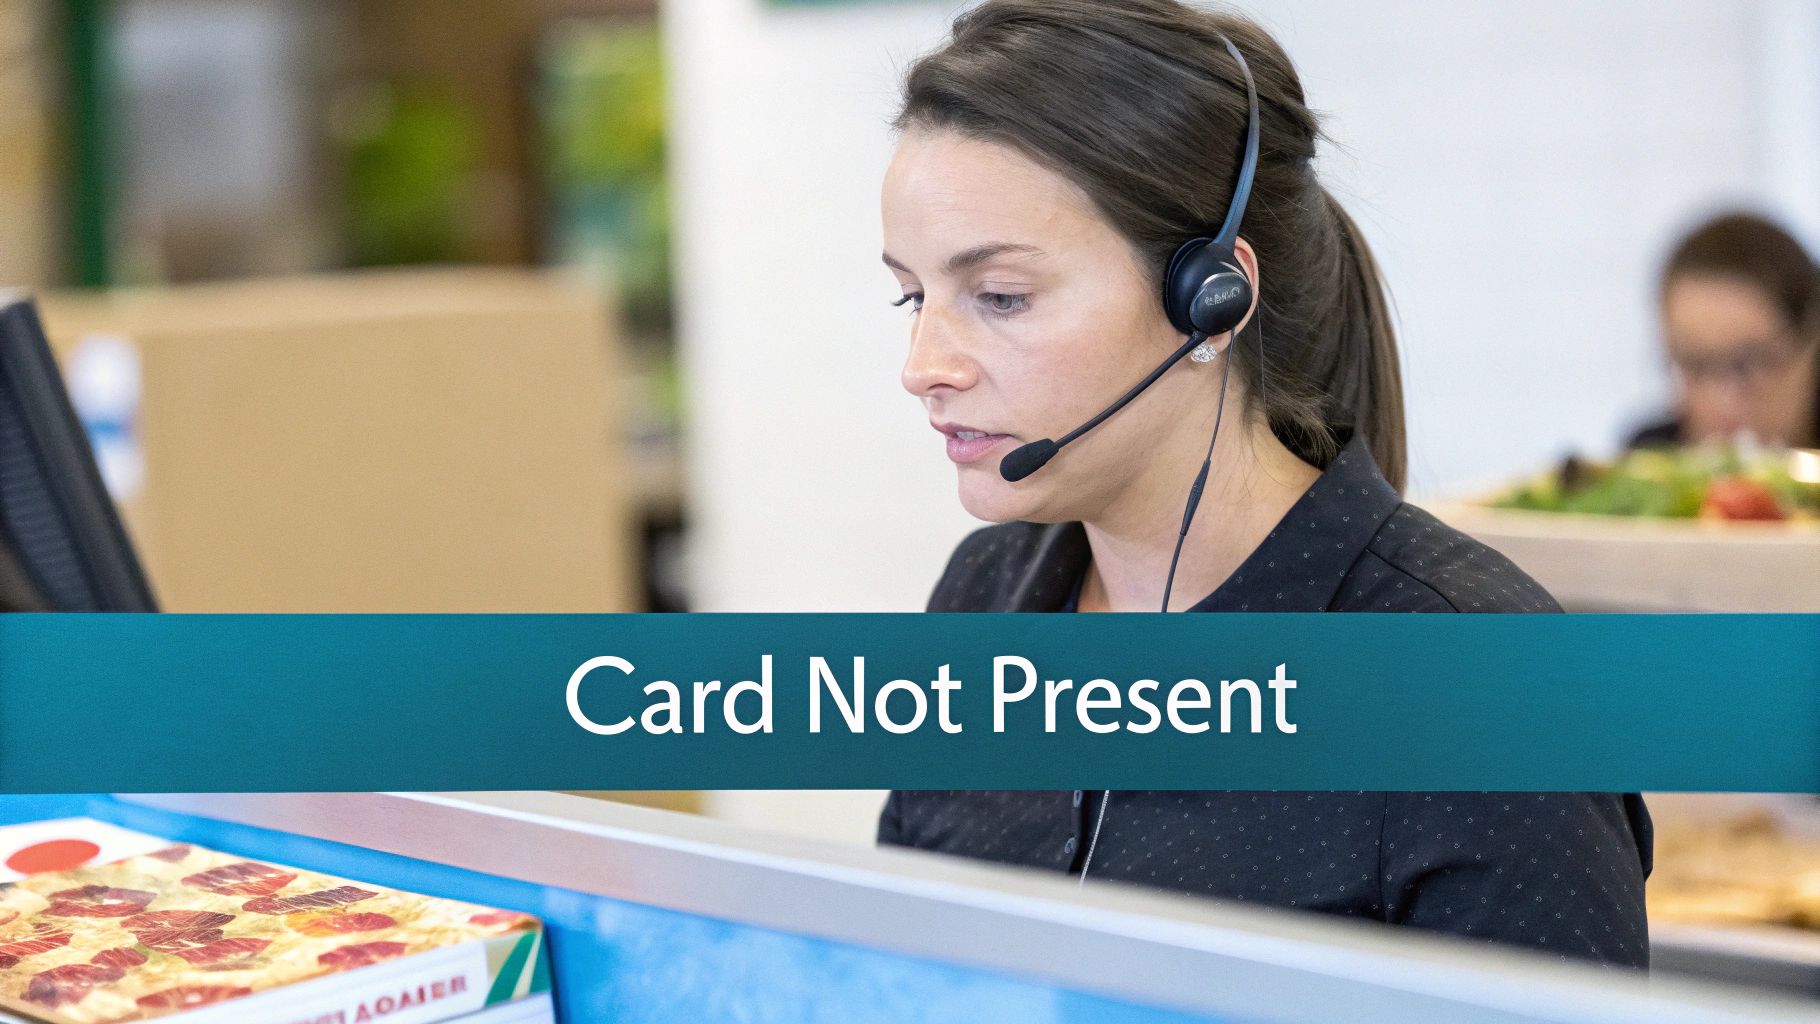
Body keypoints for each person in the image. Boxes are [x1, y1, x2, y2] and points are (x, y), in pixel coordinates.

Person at [875, 0, 1650, 967]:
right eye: (914, 294)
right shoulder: (982, 604)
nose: (923, 364)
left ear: (1211, 300)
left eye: (999, 298)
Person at [1629, 213, 1820, 449]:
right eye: (1694, 365)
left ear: (1809, 346)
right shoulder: (1648, 461)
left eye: (1747, 365)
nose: (1723, 406)